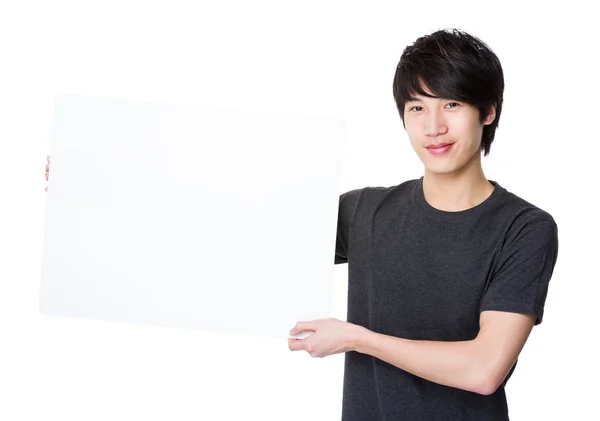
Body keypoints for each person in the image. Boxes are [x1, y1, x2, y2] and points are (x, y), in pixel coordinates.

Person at [45, 28, 559, 421]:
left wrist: (358, 338)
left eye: (452, 104)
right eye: (417, 107)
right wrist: (96, 187)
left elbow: (483, 370)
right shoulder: (367, 212)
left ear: (488, 111)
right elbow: (233, 225)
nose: (434, 126)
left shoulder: (523, 228)